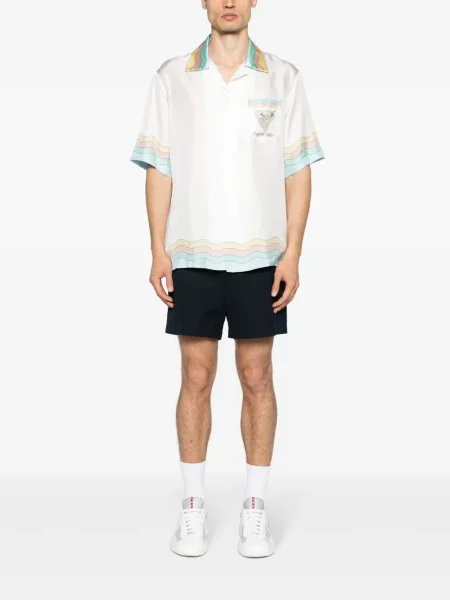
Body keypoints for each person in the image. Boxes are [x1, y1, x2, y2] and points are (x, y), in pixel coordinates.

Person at [130, 0, 325, 558]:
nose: (230, 2)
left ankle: (254, 508)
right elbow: (159, 169)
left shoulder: (283, 77)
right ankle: (193, 506)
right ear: (204, 2)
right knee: (195, 375)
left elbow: (298, 171)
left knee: (257, 376)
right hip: (192, 253)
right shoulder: (172, 77)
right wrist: (158, 251)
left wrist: (292, 255)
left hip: (262, 255)